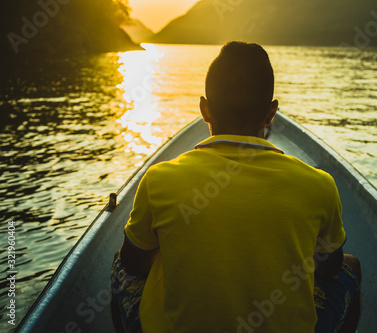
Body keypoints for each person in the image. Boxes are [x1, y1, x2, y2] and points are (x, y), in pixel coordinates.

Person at [111, 41, 361, 333]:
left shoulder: (159, 180)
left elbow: (132, 263)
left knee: (118, 259)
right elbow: (330, 267)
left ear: (204, 109)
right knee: (351, 265)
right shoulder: (320, 185)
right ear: (271, 113)